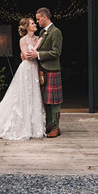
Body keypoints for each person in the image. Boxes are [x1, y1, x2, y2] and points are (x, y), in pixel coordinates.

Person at [24, 7, 63, 138]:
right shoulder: (42, 32)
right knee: (46, 100)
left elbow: (56, 52)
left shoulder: (55, 32)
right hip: (42, 70)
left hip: (52, 69)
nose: (37, 21)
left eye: (38, 19)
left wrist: (38, 54)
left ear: (45, 17)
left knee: (54, 101)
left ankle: (56, 127)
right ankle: (49, 124)